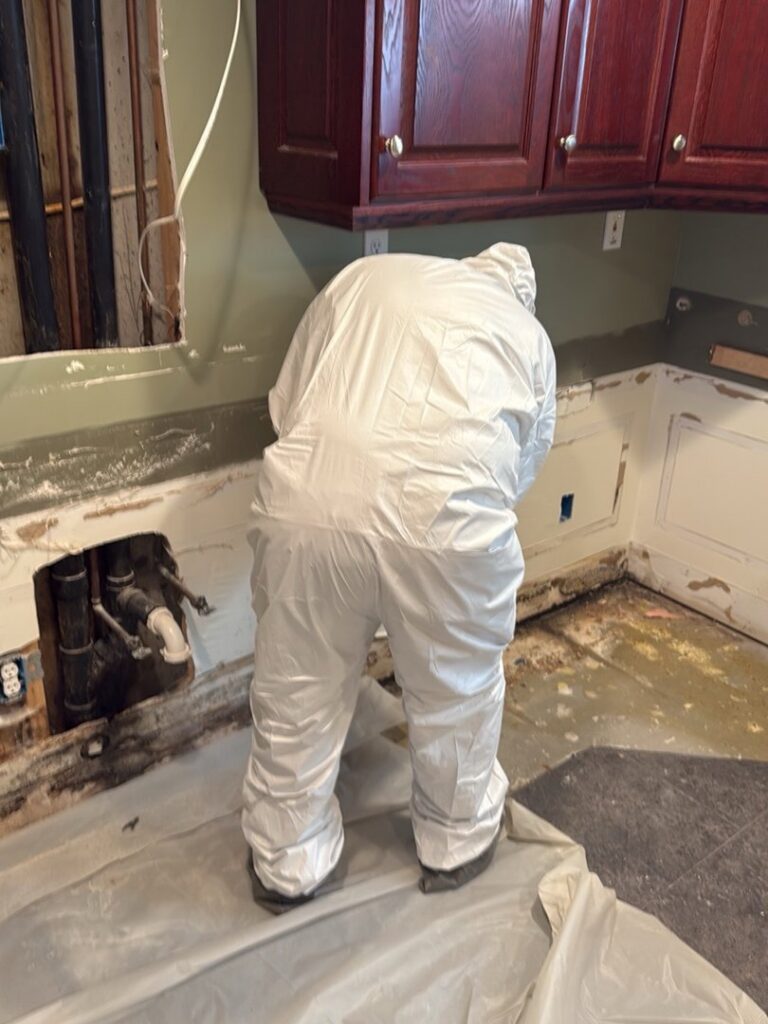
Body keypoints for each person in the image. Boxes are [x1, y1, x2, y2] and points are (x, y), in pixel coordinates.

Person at [242, 243, 557, 910]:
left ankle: (286, 860)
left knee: (298, 686)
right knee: (457, 693)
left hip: (310, 506)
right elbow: (523, 462)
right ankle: (455, 839)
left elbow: (290, 399)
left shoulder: (360, 279)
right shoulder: (526, 334)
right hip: (450, 526)